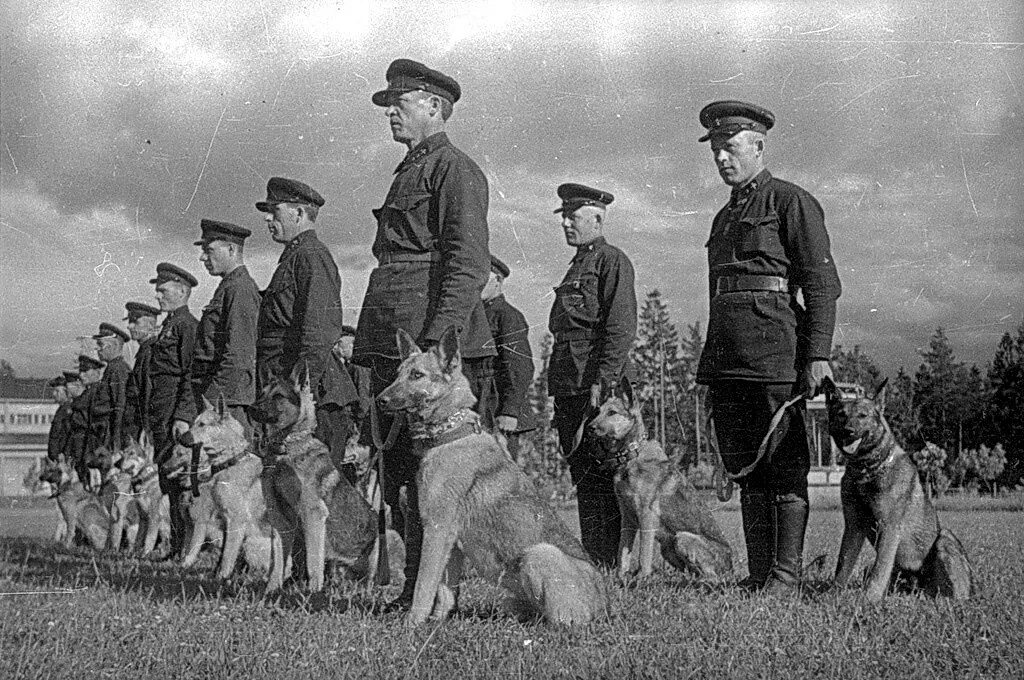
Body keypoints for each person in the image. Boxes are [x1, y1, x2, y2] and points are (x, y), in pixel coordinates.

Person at [353, 58, 495, 608]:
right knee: (402, 475)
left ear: (434, 107)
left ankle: (428, 593)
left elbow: (467, 263)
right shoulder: (412, 170)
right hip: (396, 331)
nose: (390, 111)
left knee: (431, 475)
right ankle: (417, 587)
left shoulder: (455, 170)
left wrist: (438, 343)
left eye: (401, 102)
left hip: (428, 344)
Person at [695, 100, 841, 594]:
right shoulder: (723, 217)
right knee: (746, 468)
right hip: (729, 359)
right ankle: (758, 574)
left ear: (758, 145)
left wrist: (817, 354)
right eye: (715, 150)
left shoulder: (790, 202)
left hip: (776, 355)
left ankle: (784, 575)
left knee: (783, 466)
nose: (721, 158)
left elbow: (821, 283)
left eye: (730, 147)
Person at [548, 182, 637, 569]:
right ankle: (595, 560)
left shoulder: (611, 261)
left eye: (574, 216)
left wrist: (605, 382)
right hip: (570, 385)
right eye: (564, 216)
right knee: (583, 475)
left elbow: (620, 326)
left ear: (597, 219)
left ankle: (614, 563)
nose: (566, 223)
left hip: (597, 388)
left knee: (605, 476)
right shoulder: (577, 266)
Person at [255, 177, 358, 457]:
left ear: (299, 213)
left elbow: (321, 331)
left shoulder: (311, 256)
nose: (267, 218)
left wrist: (299, 390)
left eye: (274, 211)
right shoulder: (296, 257)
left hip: (312, 401)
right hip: (291, 394)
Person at [172, 219, 260, 437]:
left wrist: (209, 406)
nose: (203, 257)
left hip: (226, 406)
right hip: (216, 401)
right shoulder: (228, 287)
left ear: (231, 249)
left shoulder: (240, 289)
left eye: (208, 250)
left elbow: (237, 356)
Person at [148, 262, 199, 557]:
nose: (158, 296)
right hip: (161, 414)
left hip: (173, 415)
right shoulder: (170, 325)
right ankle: (177, 546)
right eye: (157, 291)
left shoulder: (186, 326)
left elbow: (190, 374)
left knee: (180, 485)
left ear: (182, 291)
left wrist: (182, 415)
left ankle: (184, 548)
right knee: (168, 484)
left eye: (163, 291)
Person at [482, 255, 535, 461]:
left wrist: (510, 410)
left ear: (497, 280)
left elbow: (520, 366)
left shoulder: (507, 316)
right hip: (480, 406)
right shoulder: (474, 316)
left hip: (498, 409)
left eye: (483, 278)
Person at [89, 322, 132, 453]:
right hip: (103, 435)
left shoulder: (117, 369)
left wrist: (116, 443)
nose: (98, 349)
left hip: (109, 437)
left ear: (114, 345)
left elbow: (119, 407)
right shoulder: (112, 368)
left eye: (101, 345)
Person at [124, 301, 161, 442]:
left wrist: (146, 429)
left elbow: (147, 393)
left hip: (143, 428)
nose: (129, 326)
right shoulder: (144, 351)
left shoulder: (151, 351)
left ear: (151, 325)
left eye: (135, 322)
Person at [69, 354, 105, 486]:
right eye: (80, 371)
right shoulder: (88, 393)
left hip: (92, 446)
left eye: (85, 371)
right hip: (83, 446)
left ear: (97, 372)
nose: (81, 375)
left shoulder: (99, 392)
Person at [46, 375, 71, 462]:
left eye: (57, 391)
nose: (54, 394)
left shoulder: (67, 411)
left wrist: (64, 455)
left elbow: (69, 435)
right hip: (56, 458)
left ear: (66, 392)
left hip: (62, 459)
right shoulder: (61, 410)